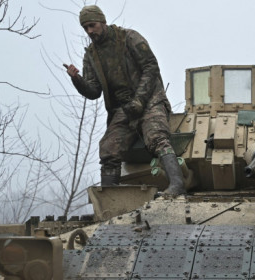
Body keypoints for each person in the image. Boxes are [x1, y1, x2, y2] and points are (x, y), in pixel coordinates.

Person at [65, 5, 185, 196]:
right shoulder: (91, 56)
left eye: (92, 25)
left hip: (149, 100)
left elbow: (150, 67)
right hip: (124, 109)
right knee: (108, 148)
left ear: (102, 22)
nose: (90, 31)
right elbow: (94, 91)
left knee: (156, 137)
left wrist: (139, 100)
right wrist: (77, 80)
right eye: (85, 27)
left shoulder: (129, 38)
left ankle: (177, 185)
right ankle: (111, 198)